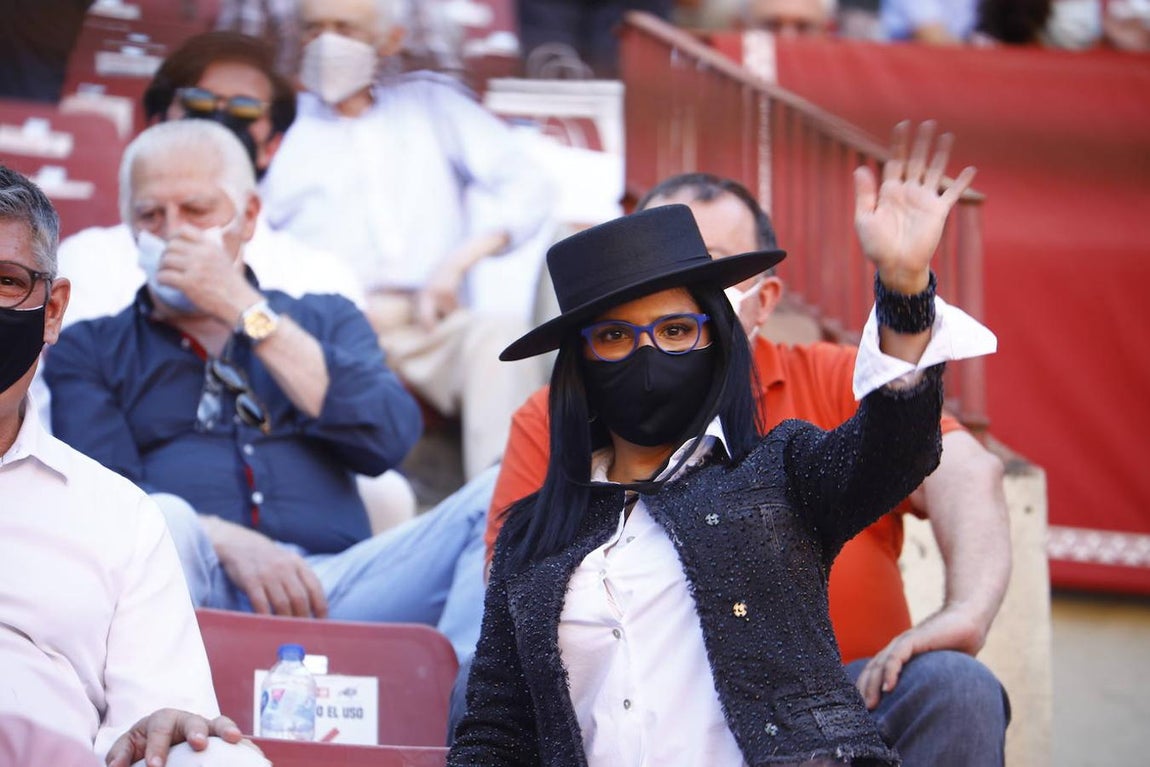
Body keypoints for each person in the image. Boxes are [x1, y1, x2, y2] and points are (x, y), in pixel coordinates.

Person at [450, 123, 995, 765]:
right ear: (581, 361)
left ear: (719, 340)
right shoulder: (529, 535)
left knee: (959, 689)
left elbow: (897, 448)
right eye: (616, 337)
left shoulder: (779, 474)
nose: (649, 353)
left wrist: (905, 292)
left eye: (677, 330)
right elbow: (495, 730)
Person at [42, 121, 488, 661]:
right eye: (151, 216)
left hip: (335, 588)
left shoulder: (324, 317)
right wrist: (222, 540)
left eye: (197, 210)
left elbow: (387, 438)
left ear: (249, 217)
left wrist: (245, 309)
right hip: (184, 592)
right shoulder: (88, 348)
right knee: (166, 519)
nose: (172, 233)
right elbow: (107, 502)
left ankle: (475, 731)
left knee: (497, 497)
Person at [0, 164, 256, 766]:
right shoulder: (104, 353)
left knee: (214, 758)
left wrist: (252, 313)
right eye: (153, 215)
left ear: (52, 309)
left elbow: (159, 724)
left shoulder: (117, 516)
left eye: (5, 281)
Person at [260, 0, 554, 481]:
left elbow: (527, 183)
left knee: (498, 338)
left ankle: (509, 514)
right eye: (314, 29)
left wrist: (458, 263)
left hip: (427, 323)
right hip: (327, 333)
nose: (327, 42)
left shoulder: (431, 106)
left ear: (388, 41)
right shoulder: (284, 129)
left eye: (345, 28)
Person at [57, 31, 366, 329]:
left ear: (272, 146)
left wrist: (240, 307)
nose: (219, 117)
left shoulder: (321, 278)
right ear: (157, 121)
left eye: (245, 109)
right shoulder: (90, 260)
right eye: (198, 101)